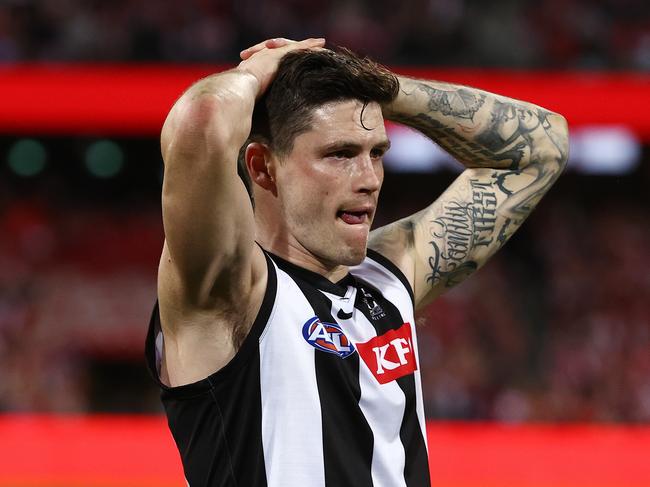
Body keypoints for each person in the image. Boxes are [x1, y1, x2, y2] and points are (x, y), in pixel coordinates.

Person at [145, 37, 569, 487]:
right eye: (341, 154)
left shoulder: (386, 279)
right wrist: (257, 73)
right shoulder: (230, 290)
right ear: (263, 167)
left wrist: (376, 86)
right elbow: (201, 120)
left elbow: (542, 148)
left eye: (377, 153)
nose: (369, 179)